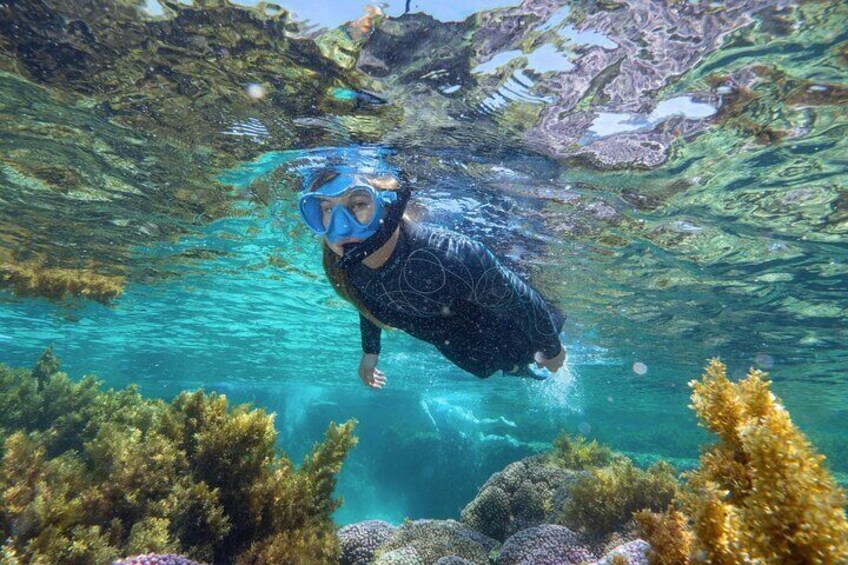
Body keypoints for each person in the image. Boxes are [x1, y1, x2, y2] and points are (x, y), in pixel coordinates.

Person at [297, 165, 567, 390]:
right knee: (485, 366)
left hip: (494, 327)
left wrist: (553, 350)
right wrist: (370, 353)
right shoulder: (344, 264)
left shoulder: (449, 255)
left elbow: (522, 300)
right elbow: (367, 303)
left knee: (516, 356)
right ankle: (517, 368)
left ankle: (522, 366)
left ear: (387, 207)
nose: (341, 225)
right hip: (450, 341)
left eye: (358, 204)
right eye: (328, 210)